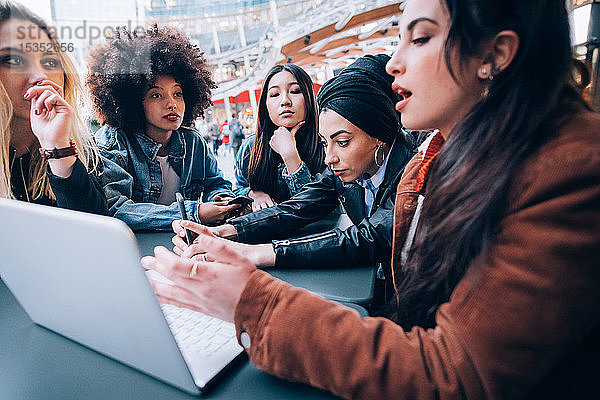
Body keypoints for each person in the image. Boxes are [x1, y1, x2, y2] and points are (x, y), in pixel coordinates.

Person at [143, 0, 600, 398]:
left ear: (495, 54)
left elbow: (456, 377)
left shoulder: (569, 169)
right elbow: (309, 203)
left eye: (420, 38)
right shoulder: (447, 151)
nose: (393, 63)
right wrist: (235, 238)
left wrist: (252, 300)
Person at [175, 54, 417, 310]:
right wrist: (226, 231)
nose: (329, 157)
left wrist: (253, 253)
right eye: (325, 143)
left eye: (342, 142)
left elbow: (366, 238)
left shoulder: (415, 170)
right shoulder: (343, 168)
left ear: (380, 133)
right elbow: (298, 207)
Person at [87, 25, 239, 230]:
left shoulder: (194, 143)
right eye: (156, 95)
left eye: (177, 93)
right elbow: (115, 208)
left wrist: (222, 200)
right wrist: (195, 213)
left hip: (186, 248)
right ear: (133, 102)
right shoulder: (114, 142)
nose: (172, 104)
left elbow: (215, 183)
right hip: (134, 250)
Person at [0, 1, 107, 214]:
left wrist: (58, 148)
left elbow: (95, 234)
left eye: (49, 62)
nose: (40, 76)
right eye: (13, 60)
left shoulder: (84, 151)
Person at [233, 63, 324, 211]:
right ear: (265, 105)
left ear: (309, 98)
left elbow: (314, 207)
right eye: (275, 94)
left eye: (295, 91)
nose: (285, 101)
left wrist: (290, 156)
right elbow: (237, 188)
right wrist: (252, 194)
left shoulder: (326, 144)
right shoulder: (251, 147)